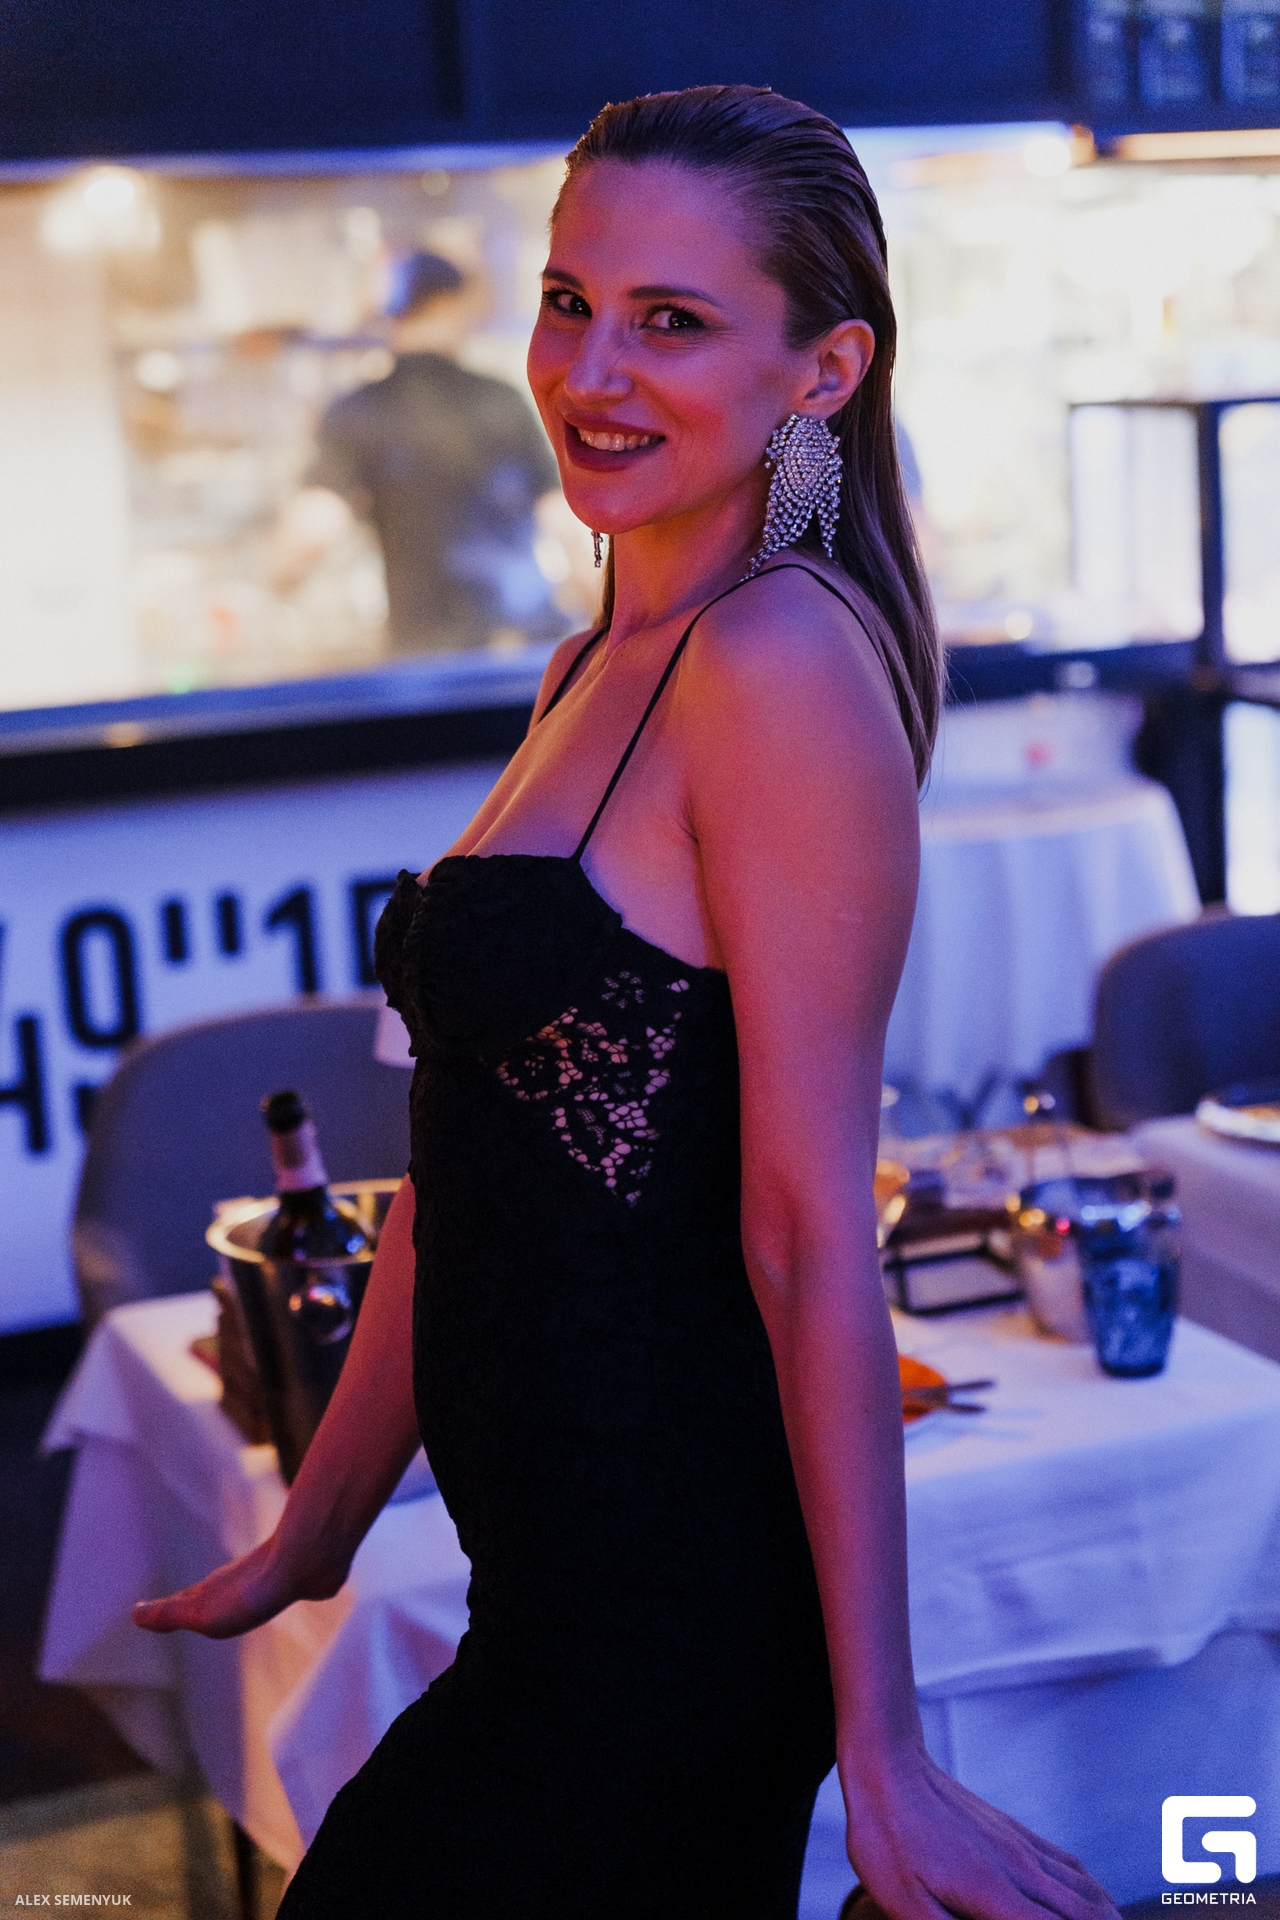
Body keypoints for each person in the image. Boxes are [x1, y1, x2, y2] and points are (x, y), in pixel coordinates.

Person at [137, 87, 1122, 1920]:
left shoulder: (780, 664)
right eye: (568, 300)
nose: (591, 370)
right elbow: (465, 1157)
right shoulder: (596, 659)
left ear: (823, 371)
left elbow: (811, 1233)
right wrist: (320, 1524)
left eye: (670, 320)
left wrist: (886, 1752)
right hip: (546, 1599)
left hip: (668, 1620)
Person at [271, 249, 567, 653]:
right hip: (523, 640)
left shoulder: (360, 410)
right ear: (450, 304)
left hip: (427, 651)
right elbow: (562, 516)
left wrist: (275, 585)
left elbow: (314, 526)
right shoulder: (500, 400)